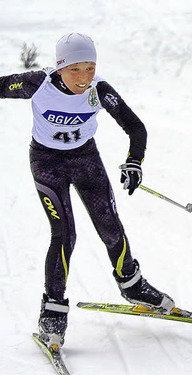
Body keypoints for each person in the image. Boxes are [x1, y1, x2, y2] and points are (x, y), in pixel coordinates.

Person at [0, 33, 175, 350]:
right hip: (47, 162)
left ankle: (132, 284)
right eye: (75, 69)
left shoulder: (99, 90)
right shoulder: (37, 83)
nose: (83, 78)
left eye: (90, 68)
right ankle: (52, 311)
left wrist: (134, 162)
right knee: (65, 234)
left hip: (85, 159)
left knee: (109, 224)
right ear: (60, 67)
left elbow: (135, 127)